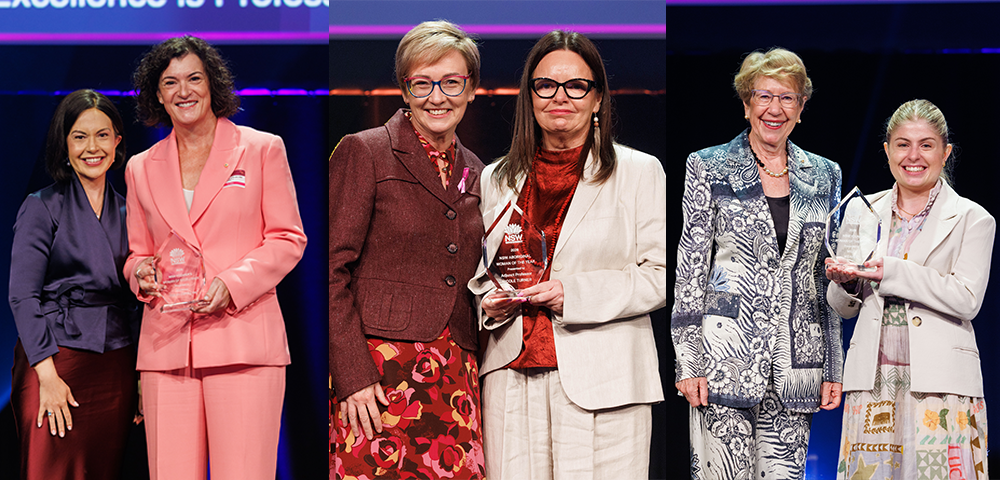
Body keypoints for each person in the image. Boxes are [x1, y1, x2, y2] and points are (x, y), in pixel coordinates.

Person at [469, 30, 667, 479]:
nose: (560, 97)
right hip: (511, 374)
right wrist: (490, 300)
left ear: (597, 98)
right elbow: (487, 269)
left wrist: (570, 294)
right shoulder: (497, 177)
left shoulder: (638, 171)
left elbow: (657, 276)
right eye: (546, 85)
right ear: (530, 96)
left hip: (605, 379)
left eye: (576, 86)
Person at [125, 36, 307, 480]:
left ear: (213, 85)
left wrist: (232, 283)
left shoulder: (262, 148)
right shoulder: (139, 166)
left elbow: (287, 238)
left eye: (194, 78)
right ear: (158, 94)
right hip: (167, 350)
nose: (183, 91)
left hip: (243, 342)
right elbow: (136, 253)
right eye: (170, 82)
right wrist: (140, 273)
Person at [671, 47, 844, 479]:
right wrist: (688, 361)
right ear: (747, 104)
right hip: (722, 359)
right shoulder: (707, 166)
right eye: (764, 96)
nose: (775, 108)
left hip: (798, 364)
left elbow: (830, 276)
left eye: (787, 97)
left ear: (802, 108)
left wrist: (834, 366)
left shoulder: (825, 175)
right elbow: (690, 268)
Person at [329, 21, 486, 479]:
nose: (437, 97)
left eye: (451, 82)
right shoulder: (366, 151)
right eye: (423, 83)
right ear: (405, 89)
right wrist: (353, 376)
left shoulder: (476, 171)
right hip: (380, 374)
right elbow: (331, 270)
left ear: (471, 88)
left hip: (456, 372)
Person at [826, 99, 992, 479]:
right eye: (902, 144)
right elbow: (843, 306)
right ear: (887, 151)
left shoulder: (973, 218)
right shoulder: (863, 210)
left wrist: (891, 271)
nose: (913, 156)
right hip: (873, 382)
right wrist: (847, 281)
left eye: (926, 145)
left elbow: (966, 299)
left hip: (941, 384)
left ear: (945, 152)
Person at [9, 89, 141, 479]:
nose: (92, 147)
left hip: (115, 361)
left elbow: (138, 299)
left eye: (102, 135)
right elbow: (22, 296)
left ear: (117, 142)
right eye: (80, 136)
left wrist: (139, 377)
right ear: (64, 144)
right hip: (54, 358)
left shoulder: (130, 209)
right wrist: (46, 377)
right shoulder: (42, 205)